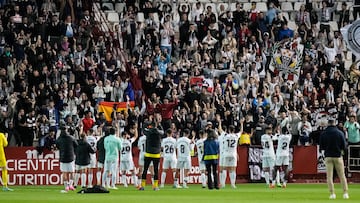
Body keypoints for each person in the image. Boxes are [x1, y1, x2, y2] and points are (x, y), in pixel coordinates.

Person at [319, 117, 349, 199]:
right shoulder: (340, 133)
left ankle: (332, 194)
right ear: (334, 123)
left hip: (328, 156)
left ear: (328, 123)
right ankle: (345, 193)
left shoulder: (324, 133)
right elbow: (344, 146)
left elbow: (321, 146)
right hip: (338, 156)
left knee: (329, 176)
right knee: (342, 175)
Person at [139, 113, 164, 191]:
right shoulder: (158, 131)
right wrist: (158, 124)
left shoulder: (148, 132)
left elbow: (143, 130)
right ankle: (155, 186)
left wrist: (146, 123)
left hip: (148, 152)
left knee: (145, 170)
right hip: (156, 153)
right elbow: (162, 132)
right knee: (156, 170)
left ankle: (142, 186)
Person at [55, 122, 78, 192]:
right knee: (72, 172)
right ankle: (71, 185)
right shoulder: (71, 138)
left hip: (62, 157)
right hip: (71, 157)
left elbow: (57, 146)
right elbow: (76, 145)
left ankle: (66, 186)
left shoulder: (59, 139)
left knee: (64, 173)